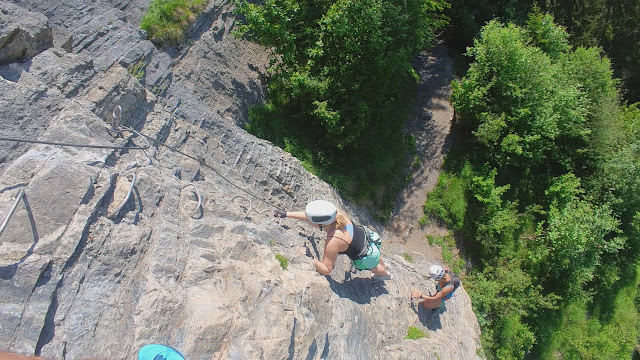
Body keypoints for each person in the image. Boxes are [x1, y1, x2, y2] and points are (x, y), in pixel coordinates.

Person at [273, 200, 392, 280]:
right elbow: (310, 215)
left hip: (366, 256)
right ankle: (384, 264)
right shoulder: (336, 213)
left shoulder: (334, 240)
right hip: (369, 238)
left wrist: (311, 257)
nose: (307, 221)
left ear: (320, 225)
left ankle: (385, 275)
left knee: (375, 267)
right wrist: (285, 214)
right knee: (377, 255)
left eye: (310, 221)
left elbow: (326, 269)